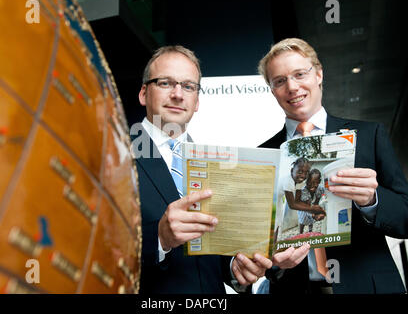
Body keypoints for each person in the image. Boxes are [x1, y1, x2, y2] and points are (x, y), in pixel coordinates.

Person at [131, 45, 307, 293]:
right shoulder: (112, 156)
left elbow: (215, 250)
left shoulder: (211, 164)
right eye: (165, 83)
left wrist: (236, 267)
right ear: (143, 93)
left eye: (188, 86)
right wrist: (159, 239)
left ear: (197, 101)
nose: (178, 94)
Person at [258, 37, 408, 293]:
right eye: (280, 81)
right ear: (273, 90)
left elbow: (405, 217)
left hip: (367, 285)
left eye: (299, 74)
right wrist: (273, 263)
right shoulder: (263, 155)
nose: (292, 87)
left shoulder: (369, 135)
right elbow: (257, 239)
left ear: (318, 74)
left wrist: (371, 200)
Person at [298, 169, 325, 234]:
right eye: (310, 183)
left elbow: (317, 200)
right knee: (303, 221)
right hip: (304, 208)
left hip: (313, 207)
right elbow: (307, 204)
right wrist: (314, 214)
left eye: (315, 183)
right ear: (307, 181)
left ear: (319, 181)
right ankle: (301, 232)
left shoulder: (320, 188)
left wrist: (316, 210)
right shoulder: (304, 190)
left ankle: (310, 231)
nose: (312, 185)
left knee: (311, 221)